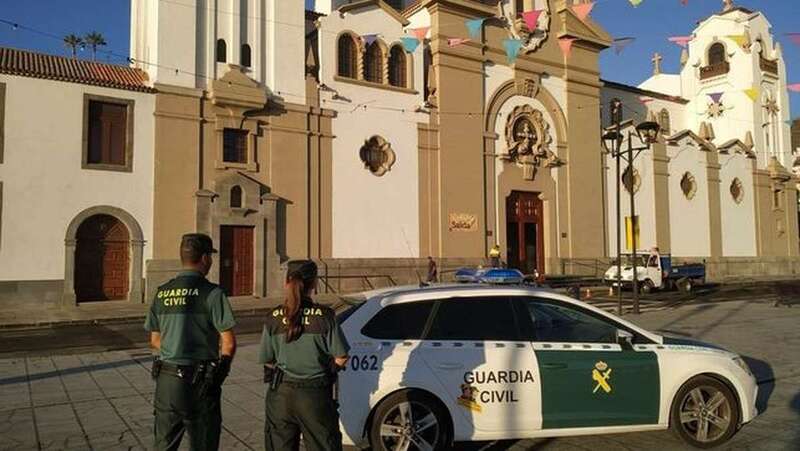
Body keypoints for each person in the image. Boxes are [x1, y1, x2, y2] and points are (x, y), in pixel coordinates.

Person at [144, 233, 237, 451]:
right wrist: (220, 372)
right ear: (205, 258)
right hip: (200, 381)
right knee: (203, 442)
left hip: (167, 381)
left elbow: (155, 340)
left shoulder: (162, 293)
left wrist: (174, 347)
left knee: (164, 444)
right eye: (210, 257)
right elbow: (229, 343)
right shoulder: (213, 293)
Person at [259, 260, 350, 451]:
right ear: (314, 283)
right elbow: (341, 357)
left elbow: (267, 359)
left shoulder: (273, 317)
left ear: (287, 282)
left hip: (281, 395)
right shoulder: (325, 316)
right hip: (315, 395)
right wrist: (330, 370)